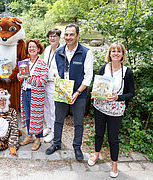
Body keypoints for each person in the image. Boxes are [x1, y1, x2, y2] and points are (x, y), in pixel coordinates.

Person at [46, 24, 94, 161]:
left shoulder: (86, 52)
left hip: (79, 93)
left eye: (72, 34)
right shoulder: (59, 51)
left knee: (78, 122)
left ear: (78, 35)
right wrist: (57, 77)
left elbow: (88, 76)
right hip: (62, 90)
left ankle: (77, 147)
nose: (69, 37)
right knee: (58, 119)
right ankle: (56, 143)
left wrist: (77, 92)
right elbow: (54, 69)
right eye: (66, 35)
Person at [87, 42, 135, 178]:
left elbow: (131, 92)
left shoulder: (127, 72)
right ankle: (96, 154)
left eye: (118, 51)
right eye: (113, 51)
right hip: (100, 107)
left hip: (116, 110)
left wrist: (118, 97)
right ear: (109, 53)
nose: (115, 53)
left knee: (113, 138)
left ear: (122, 55)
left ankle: (114, 164)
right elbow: (98, 85)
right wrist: (94, 93)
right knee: (98, 133)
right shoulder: (104, 68)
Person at [17, 39, 48, 151]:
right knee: (27, 115)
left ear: (38, 49)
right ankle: (29, 136)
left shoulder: (42, 63)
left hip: (36, 94)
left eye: (34, 47)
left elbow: (43, 81)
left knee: (37, 116)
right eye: (29, 47)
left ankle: (38, 139)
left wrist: (28, 78)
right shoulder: (24, 62)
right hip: (25, 92)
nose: (31, 49)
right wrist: (19, 76)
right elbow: (20, 75)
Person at [43, 28, 62, 143]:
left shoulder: (63, 50)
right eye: (50, 36)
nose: (52, 38)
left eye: (55, 36)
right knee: (46, 106)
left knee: (54, 108)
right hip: (45, 82)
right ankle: (49, 127)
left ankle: (55, 132)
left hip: (55, 83)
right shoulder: (47, 49)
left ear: (59, 38)